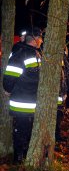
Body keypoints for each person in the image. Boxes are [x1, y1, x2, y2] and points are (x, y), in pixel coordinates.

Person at [3, 27, 43, 163]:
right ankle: (18, 157)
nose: (42, 41)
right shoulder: (20, 54)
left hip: (32, 100)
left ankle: (25, 154)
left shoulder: (36, 54)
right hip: (22, 100)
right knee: (21, 129)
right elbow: (10, 76)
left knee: (28, 129)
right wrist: (7, 89)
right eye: (40, 38)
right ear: (35, 40)